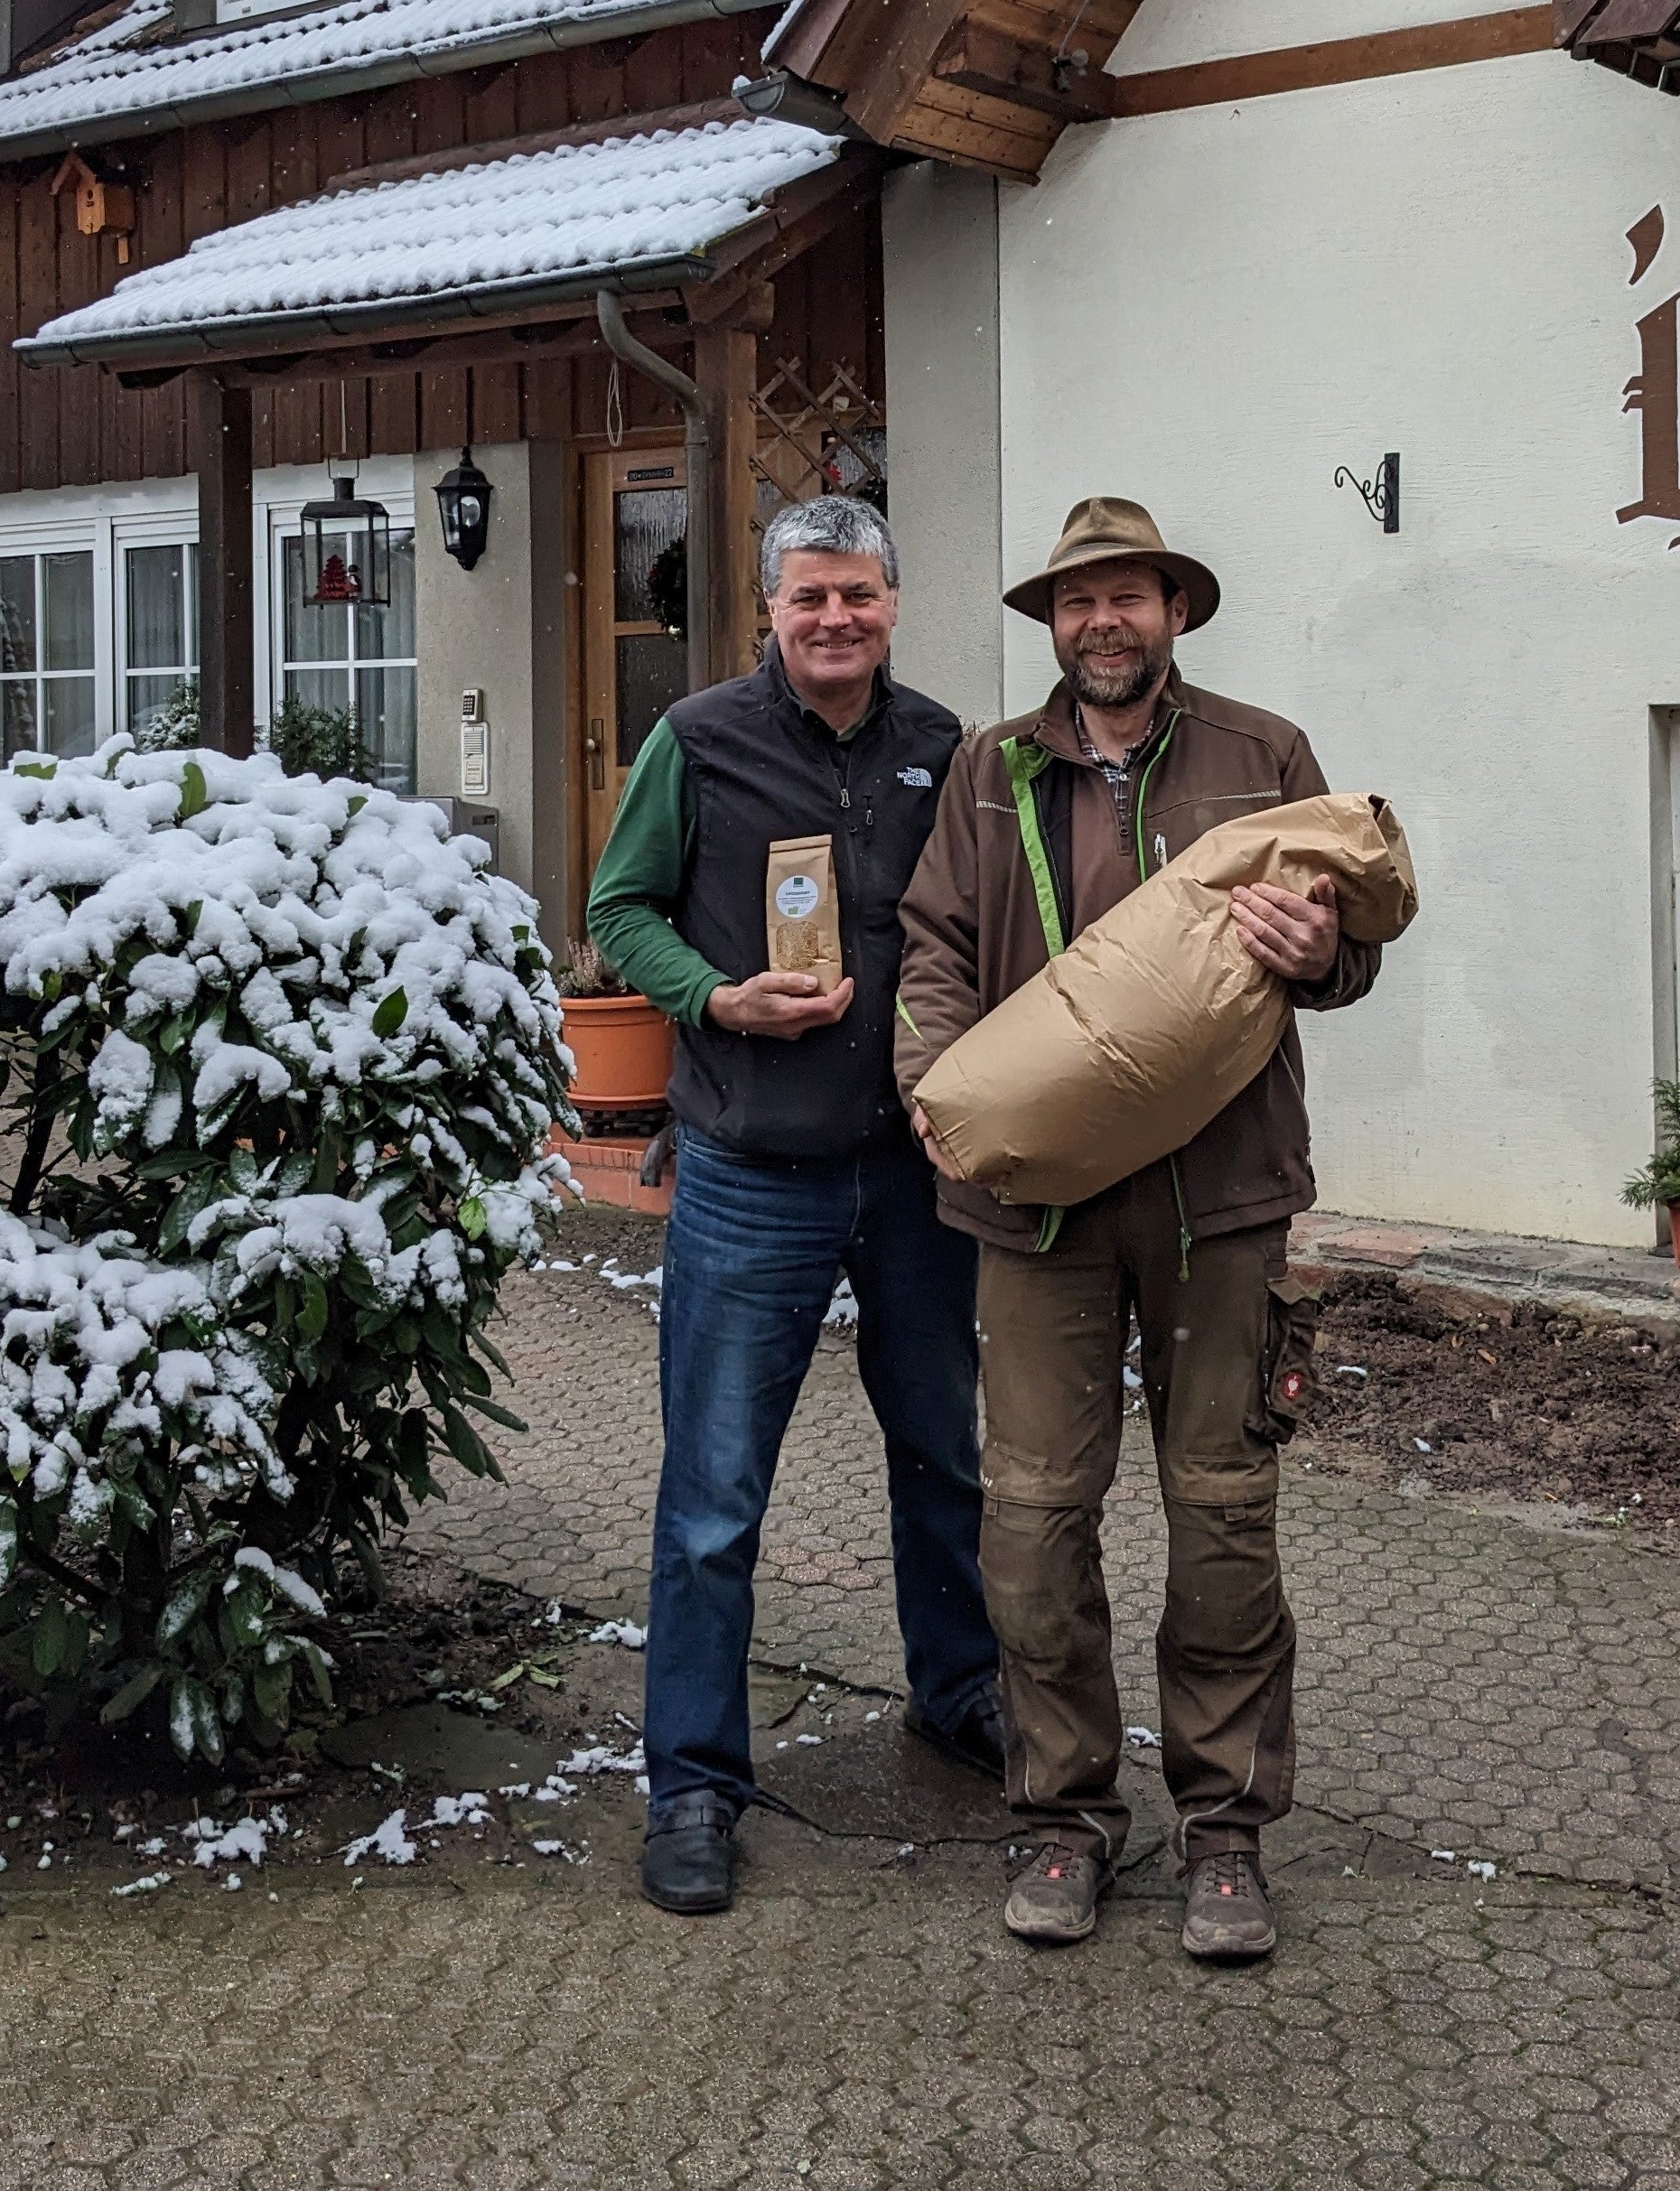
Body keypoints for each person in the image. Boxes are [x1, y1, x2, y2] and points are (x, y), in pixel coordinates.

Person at [894, 497, 1390, 1964]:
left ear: (1176, 611)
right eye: (1077, 601)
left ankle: (1224, 1829)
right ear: (1053, 625)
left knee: (1223, 1512)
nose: (1102, 622)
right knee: (1034, 1518)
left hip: (1217, 1197)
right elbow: (931, 947)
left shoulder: (1263, 757)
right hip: (1035, 1204)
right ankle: (1064, 1813)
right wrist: (934, 1081)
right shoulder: (991, 772)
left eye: (1128, 597)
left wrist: (1327, 953)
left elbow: (1349, 947)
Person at [587, 492, 1004, 1916]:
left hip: (914, 1173)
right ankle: (694, 1783)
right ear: (768, 607)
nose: (836, 618)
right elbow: (619, 910)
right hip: (751, 1174)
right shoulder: (697, 739)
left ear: (894, 602)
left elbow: (980, 932)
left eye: (859, 594)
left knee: (944, 1457)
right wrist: (715, 999)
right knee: (715, 1497)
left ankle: (960, 1691)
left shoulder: (943, 747)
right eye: (809, 595)